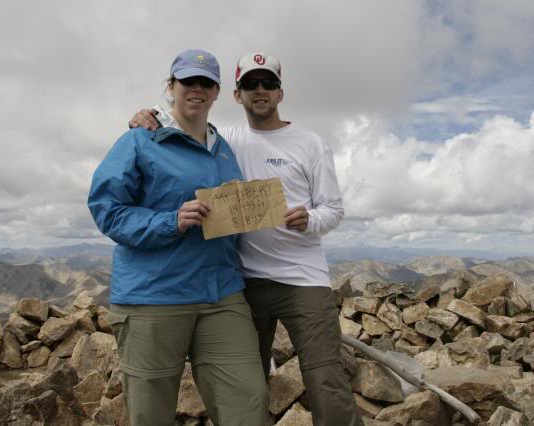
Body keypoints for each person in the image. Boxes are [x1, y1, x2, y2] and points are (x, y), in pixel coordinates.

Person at [129, 52, 362, 426]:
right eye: (250, 84)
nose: (260, 91)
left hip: (303, 279)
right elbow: (187, 123)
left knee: (325, 377)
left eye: (268, 83)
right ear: (236, 95)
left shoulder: (310, 143)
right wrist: (150, 115)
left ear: (280, 93)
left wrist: (310, 218)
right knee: (247, 382)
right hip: (242, 281)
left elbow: (333, 209)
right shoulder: (226, 141)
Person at [88, 49, 268, 426]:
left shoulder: (223, 149)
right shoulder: (140, 140)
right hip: (154, 296)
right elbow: (106, 208)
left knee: (248, 407)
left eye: (206, 82)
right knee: (150, 414)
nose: (197, 89)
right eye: (188, 81)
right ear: (171, 87)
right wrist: (171, 221)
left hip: (221, 295)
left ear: (218, 92)